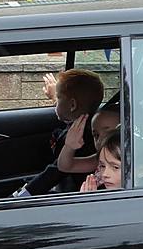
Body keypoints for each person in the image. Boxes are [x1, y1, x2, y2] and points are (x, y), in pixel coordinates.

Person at [13, 68, 105, 196]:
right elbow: (68, 111)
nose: (56, 101)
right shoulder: (86, 125)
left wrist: (22, 195)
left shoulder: (79, 138)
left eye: (59, 97)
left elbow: (54, 172)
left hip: (73, 192)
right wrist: (56, 99)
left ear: (72, 105)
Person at [57, 101, 121, 175]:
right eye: (96, 135)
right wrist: (69, 146)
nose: (100, 140)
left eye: (107, 133)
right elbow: (65, 166)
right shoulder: (99, 160)